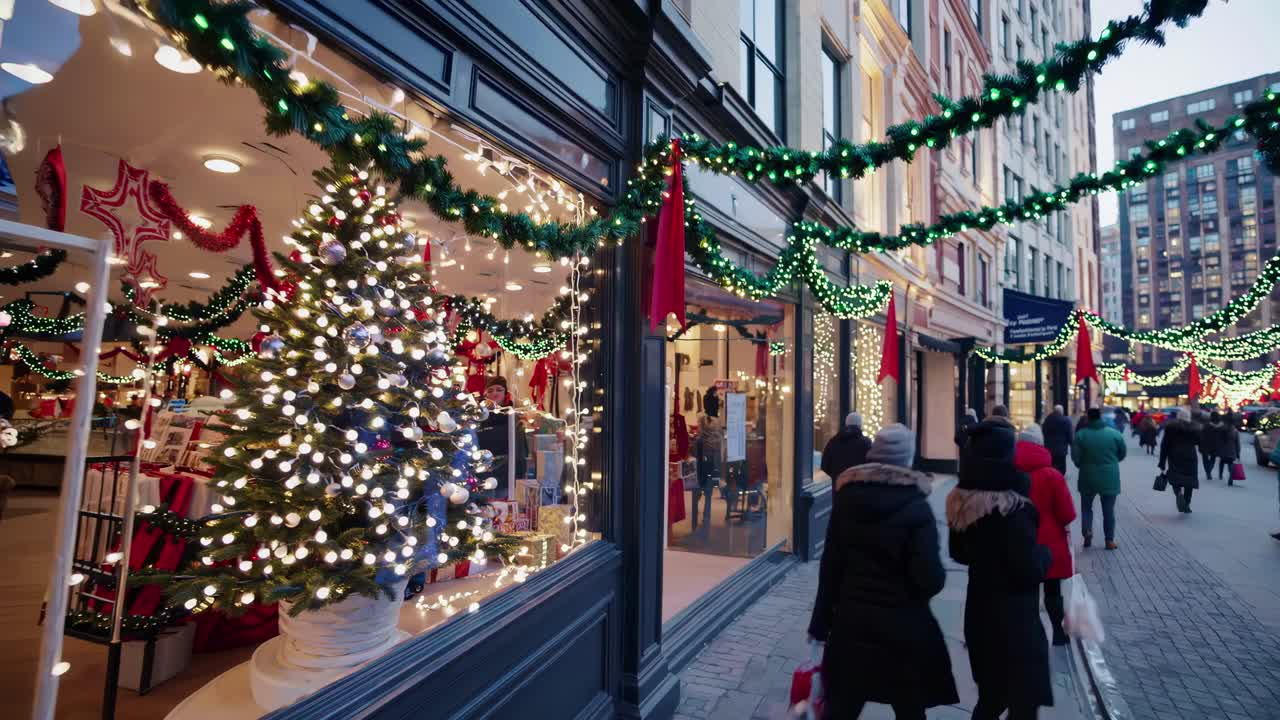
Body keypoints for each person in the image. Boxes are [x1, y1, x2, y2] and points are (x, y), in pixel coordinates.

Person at [808, 423, 958, 718]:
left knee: (842, 708)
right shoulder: (917, 507)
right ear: (907, 459)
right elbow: (929, 578)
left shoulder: (847, 499)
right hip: (902, 630)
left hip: (852, 625)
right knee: (909, 708)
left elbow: (831, 568)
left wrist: (819, 625)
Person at [948, 418, 1052, 719]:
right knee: (1021, 703)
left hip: (981, 616)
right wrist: (1044, 555)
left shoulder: (962, 501)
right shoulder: (1012, 509)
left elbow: (959, 553)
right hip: (1015, 623)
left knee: (992, 699)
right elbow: (1029, 569)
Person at [1015, 424, 1077, 646]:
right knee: (1053, 592)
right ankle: (1059, 635)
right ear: (1041, 444)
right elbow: (1068, 514)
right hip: (1050, 544)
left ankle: (1028, 634)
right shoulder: (1052, 475)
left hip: (1020, 542)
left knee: (1026, 592)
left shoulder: (1010, 473)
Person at [1072, 407, 1126, 549]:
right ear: (1101, 418)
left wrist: (1082, 465)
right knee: (1108, 510)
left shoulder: (1081, 435)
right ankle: (1109, 540)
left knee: (1086, 508)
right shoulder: (1114, 434)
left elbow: (1075, 457)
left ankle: (1087, 532)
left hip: (1087, 476)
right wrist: (1112, 462)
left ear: (1088, 418)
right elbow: (1122, 453)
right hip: (1109, 477)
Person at [475, 376, 527, 498]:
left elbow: (519, 451)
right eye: (491, 390)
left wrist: (518, 476)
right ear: (485, 394)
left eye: (499, 390)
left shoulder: (512, 417)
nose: (495, 393)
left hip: (506, 476)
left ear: (505, 393)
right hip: (482, 475)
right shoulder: (478, 418)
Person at [692, 389, 724, 531]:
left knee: (699, 486)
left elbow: (699, 437)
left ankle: (696, 513)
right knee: (710, 490)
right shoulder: (718, 421)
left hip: (704, 458)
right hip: (715, 458)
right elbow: (720, 438)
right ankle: (706, 517)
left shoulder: (702, 419)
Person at [1159, 408, 1202, 513]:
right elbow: (1200, 442)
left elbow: (1164, 445)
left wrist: (1162, 462)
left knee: (1175, 477)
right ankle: (1187, 503)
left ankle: (1178, 493)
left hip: (1174, 455)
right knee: (1189, 480)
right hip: (1190, 456)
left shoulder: (1171, 428)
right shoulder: (1194, 429)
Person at [820, 412, 873, 483]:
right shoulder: (866, 443)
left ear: (846, 424)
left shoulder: (833, 441)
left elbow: (824, 465)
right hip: (859, 488)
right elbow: (871, 466)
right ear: (860, 425)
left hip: (839, 489)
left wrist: (837, 476)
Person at [1041, 405, 1074, 476]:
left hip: (1049, 449)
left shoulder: (1047, 420)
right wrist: (1072, 445)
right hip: (1061, 450)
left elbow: (1043, 432)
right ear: (1061, 412)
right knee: (1061, 469)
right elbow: (1070, 435)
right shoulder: (1066, 420)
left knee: (1051, 467)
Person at [1214, 410, 1242, 485]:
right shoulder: (1235, 431)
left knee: (1222, 462)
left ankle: (1220, 474)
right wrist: (1238, 453)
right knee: (1230, 464)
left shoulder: (1222, 429)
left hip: (1223, 450)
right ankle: (1230, 475)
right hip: (1232, 451)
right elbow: (1237, 443)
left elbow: (1218, 440)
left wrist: (1217, 449)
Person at [1199, 411, 1221, 481]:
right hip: (1215, 445)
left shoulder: (1206, 425)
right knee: (1213, 459)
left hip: (1205, 445)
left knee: (1205, 459)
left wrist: (1200, 444)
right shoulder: (1220, 426)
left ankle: (1208, 471)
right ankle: (1209, 470)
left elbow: (1201, 436)